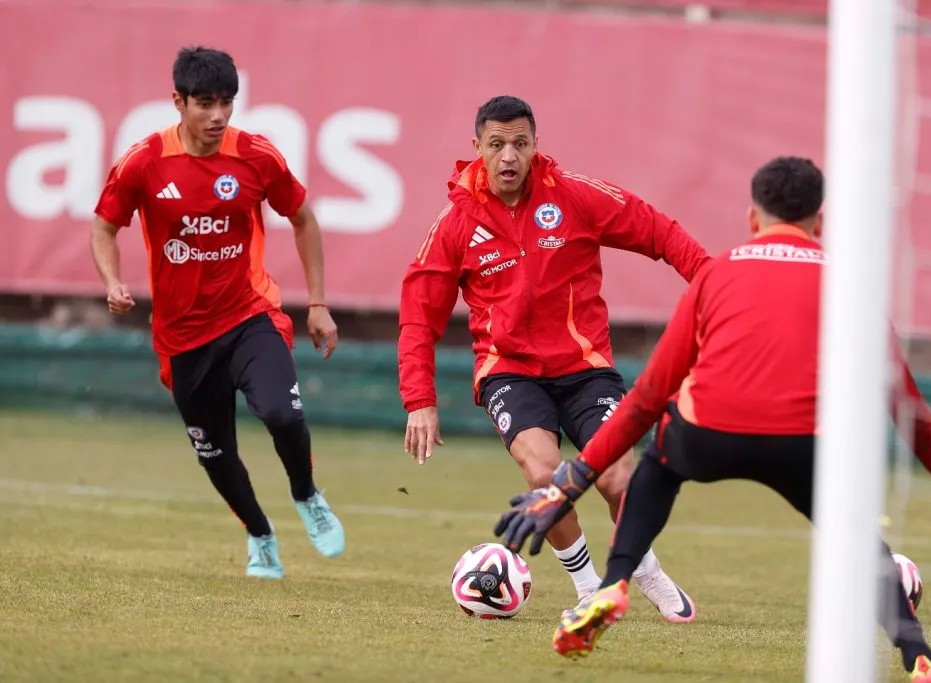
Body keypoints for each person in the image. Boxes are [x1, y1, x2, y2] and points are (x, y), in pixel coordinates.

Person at [494, 156, 931, 681]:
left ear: (751, 218)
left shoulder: (718, 271)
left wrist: (571, 482)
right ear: (820, 223)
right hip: (802, 443)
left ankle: (615, 583)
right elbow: (908, 408)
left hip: (707, 434)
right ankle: (916, 656)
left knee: (659, 463)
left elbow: (650, 394)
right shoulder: (851, 283)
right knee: (855, 535)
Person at [398, 95, 712, 620]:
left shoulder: (574, 196)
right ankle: (589, 588)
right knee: (544, 472)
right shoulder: (456, 223)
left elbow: (660, 232)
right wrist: (419, 399)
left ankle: (647, 570)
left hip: (584, 368)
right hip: (509, 372)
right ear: (476, 148)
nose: (508, 157)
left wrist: (715, 288)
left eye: (519, 143)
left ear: (535, 145)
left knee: (619, 481)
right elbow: (417, 317)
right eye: (496, 145)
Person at [90, 45, 347, 580]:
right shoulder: (143, 162)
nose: (218, 115)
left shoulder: (255, 155)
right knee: (217, 454)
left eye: (226, 102)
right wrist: (112, 280)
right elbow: (104, 226)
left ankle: (307, 494)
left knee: (283, 414)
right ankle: (260, 536)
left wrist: (317, 304)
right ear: (177, 102)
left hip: (249, 316)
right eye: (204, 103)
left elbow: (303, 218)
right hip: (183, 337)